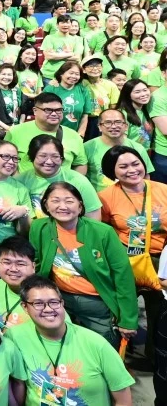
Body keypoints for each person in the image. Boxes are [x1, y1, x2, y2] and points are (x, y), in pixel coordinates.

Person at [29, 180, 138, 345]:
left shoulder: (103, 232)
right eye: (55, 200)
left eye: (69, 201)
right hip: (59, 300)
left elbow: (123, 276)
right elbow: (36, 264)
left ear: (80, 206)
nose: (62, 206)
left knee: (102, 351)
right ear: (46, 205)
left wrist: (128, 320)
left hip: (98, 304)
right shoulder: (39, 227)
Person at [5, 275, 134, 406]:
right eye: (38, 303)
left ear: (62, 303)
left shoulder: (96, 343)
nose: (48, 309)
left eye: (54, 302)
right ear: (25, 307)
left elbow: (123, 400)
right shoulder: (15, 336)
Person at [97, 144, 167, 363]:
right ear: (112, 171)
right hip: (124, 262)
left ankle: (154, 358)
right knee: (120, 311)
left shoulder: (162, 189)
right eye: (123, 166)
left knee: (159, 313)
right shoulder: (105, 197)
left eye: (135, 163)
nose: (131, 170)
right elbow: (103, 233)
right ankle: (117, 359)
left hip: (158, 261)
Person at [18, 134, 104, 219]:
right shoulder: (19, 181)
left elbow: (94, 219)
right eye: (42, 156)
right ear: (32, 157)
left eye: (55, 156)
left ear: (62, 158)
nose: (49, 161)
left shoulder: (78, 180)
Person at [0, 236, 37, 335]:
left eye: (21, 264)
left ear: (33, 267)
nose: (13, 269)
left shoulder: (45, 297)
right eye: (7, 262)